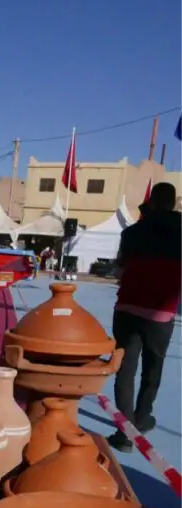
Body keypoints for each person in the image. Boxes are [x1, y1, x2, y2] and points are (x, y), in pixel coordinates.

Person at [109, 182, 181, 452]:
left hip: (128, 306)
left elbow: (119, 268)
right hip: (161, 314)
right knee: (154, 368)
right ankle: (143, 417)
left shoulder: (133, 232)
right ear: (173, 203)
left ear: (150, 201)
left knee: (125, 370)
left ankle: (124, 433)